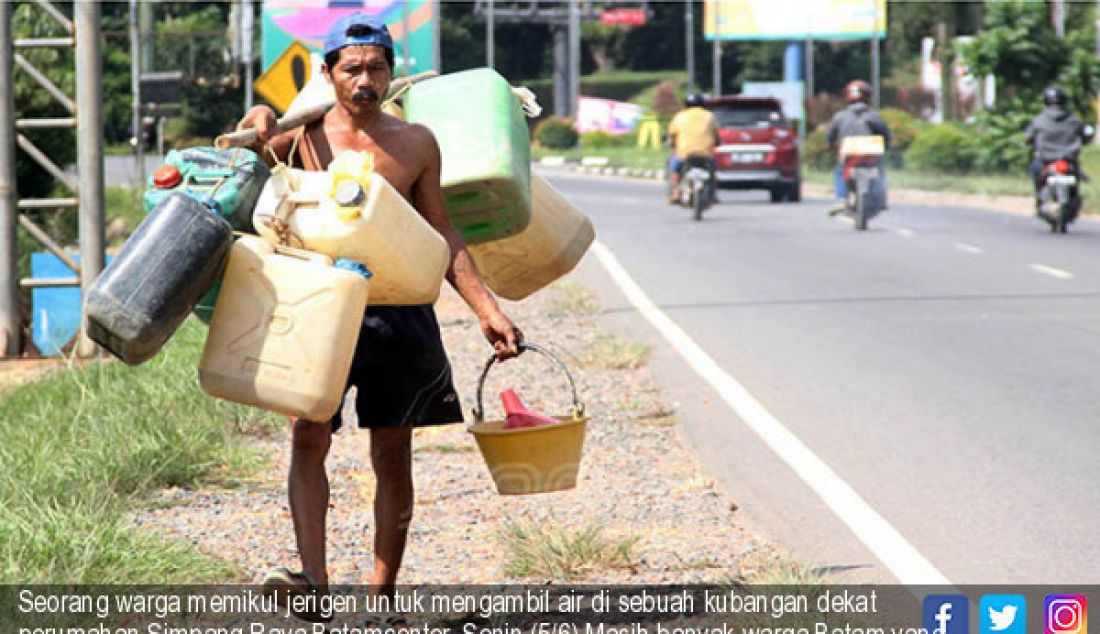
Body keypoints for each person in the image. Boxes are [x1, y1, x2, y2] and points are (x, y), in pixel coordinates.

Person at [234, 12, 523, 618]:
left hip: (399, 316)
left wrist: (486, 308)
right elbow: (247, 161)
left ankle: (380, 597)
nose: (364, 79)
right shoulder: (300, 138)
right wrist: (258, 121)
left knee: (392, 452)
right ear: (329, 73)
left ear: (392, 73)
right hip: (321, 315)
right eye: (352, 68)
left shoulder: (416, 144)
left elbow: (441, 229)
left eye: (376, 68)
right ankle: (312, 583)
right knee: (308, 436)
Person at [826, 80, 891, 216]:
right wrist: (886, 146)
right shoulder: (873, 116)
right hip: (871, 152)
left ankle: (841, 199)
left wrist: (831, 147)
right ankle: (881, 198)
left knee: (840, 171)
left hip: (849, 152)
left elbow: (830, 136)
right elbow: (885, 134)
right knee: (880, 171)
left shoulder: (840, 116)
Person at [1026, 86, 1088, 217]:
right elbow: (1085, 135)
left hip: (1047, 160)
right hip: (1068, 159)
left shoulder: (1040, 119)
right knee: (1078, 174)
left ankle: (1039, 200)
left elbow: (1029, 137)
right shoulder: (1074, 120)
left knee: (1034, 172)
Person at [666, 92, 720, 204]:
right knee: (713, 169)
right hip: (705, 153)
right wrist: (718, 143)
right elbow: (716, 135)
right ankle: (713, 193)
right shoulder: (709, 116)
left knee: (674, 168)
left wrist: (672, 143)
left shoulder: (680, 116)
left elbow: (672, 134)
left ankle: (675, 192)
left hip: (684, 153)